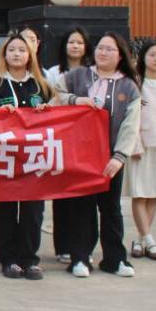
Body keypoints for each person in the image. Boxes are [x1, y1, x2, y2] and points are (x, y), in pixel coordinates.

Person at [55, 32, 141, 279]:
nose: (103, 53)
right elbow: (56, 93)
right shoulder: (78, 76)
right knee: (81, 207)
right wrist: (75, 99)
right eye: (100, 48)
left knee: (111, 208)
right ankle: (80, 257)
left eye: (110, 49)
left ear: (121, 55)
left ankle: (115, 259)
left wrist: (119, 156)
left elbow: (130, 124)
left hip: (111, 157)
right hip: (81, 155)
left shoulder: (128, 86)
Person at [0, 33, 53, 281]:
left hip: (34, 157)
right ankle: (8, 258)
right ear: (4, 54)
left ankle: (29, 259)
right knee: (7, 208)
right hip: (6, 156)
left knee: (33, 210)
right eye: (12, 50)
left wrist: (48, 111)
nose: (17, 54)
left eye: (22, 50)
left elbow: (58, 113)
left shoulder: (41, 85)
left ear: (30, 54)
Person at [124, 40, 156, 262]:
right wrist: (134, 144)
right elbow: (130, 116)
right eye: (152, 54)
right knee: (140, 192)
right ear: (143, 57)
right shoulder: (135, 83)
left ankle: (140, 239)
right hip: (141, 145)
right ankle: (150, 241)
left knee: (154, 192)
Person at [45, 27, 93, 263]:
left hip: (86, 139)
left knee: (84, 194)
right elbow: (50, 101)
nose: (75, 46)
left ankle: (83, 245)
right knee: (61, 193)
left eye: (80, 43)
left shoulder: (93, 73)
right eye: (71, 42)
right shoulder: (54, 73)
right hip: (61, 137)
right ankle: (63, 246)